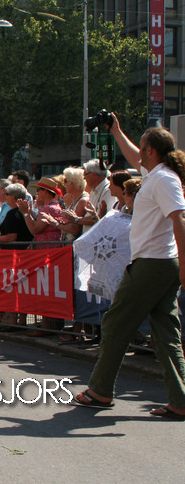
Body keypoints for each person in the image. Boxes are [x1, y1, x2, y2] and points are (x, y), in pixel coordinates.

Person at [73, 118, 185, 420]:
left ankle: (100, 390)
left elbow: (179, 219)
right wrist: (115, 130)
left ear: (151, 150)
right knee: (165, 333)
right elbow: (134, 155)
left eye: (142, 146)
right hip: (159, 263)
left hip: (153, 264)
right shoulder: (156, 174)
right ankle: (180, 399)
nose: (139, 153)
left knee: (115, 323)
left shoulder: (164, 180)